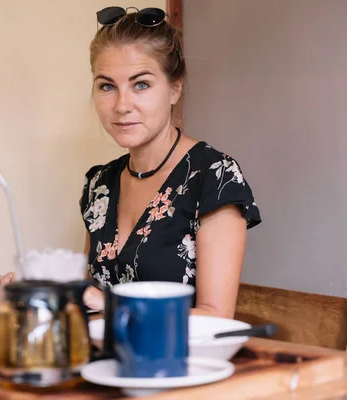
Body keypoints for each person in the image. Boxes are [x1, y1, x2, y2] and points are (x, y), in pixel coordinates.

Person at [78, 6, 261, 319]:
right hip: (106, 364)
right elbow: (88, 295)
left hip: (180, 364)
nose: (122, 105)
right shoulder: (100, 184)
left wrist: (111, 306)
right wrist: (40, 293)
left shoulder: (213, 177)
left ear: (175, 88)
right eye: (107, 86)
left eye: (141, 85)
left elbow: (215, 317)